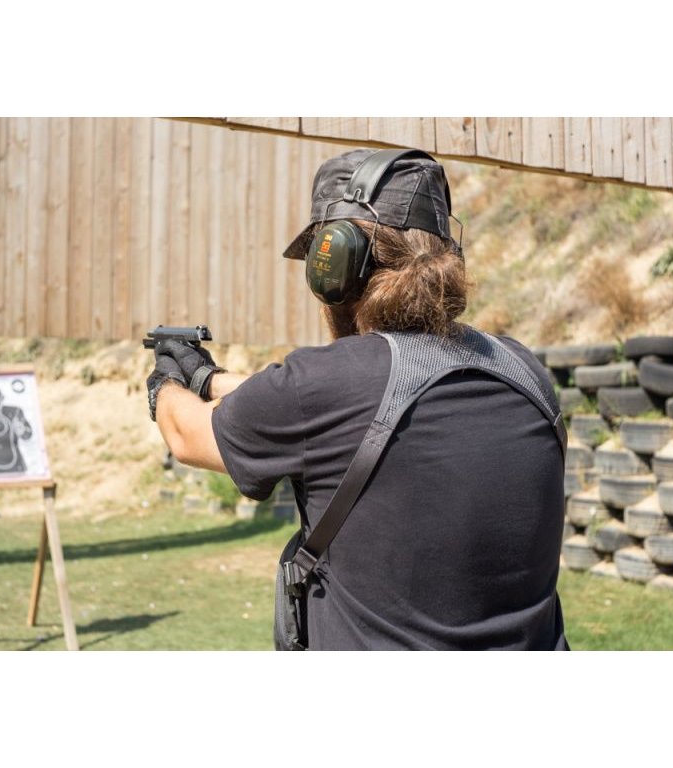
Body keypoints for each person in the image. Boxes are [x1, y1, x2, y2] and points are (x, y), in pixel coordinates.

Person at [147, 147, 569, 650]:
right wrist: (210, 379)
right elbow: (341, 401)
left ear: (336, 266)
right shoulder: (522, 370)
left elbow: (186, 434)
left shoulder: (323, 385)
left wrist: (165, 383)